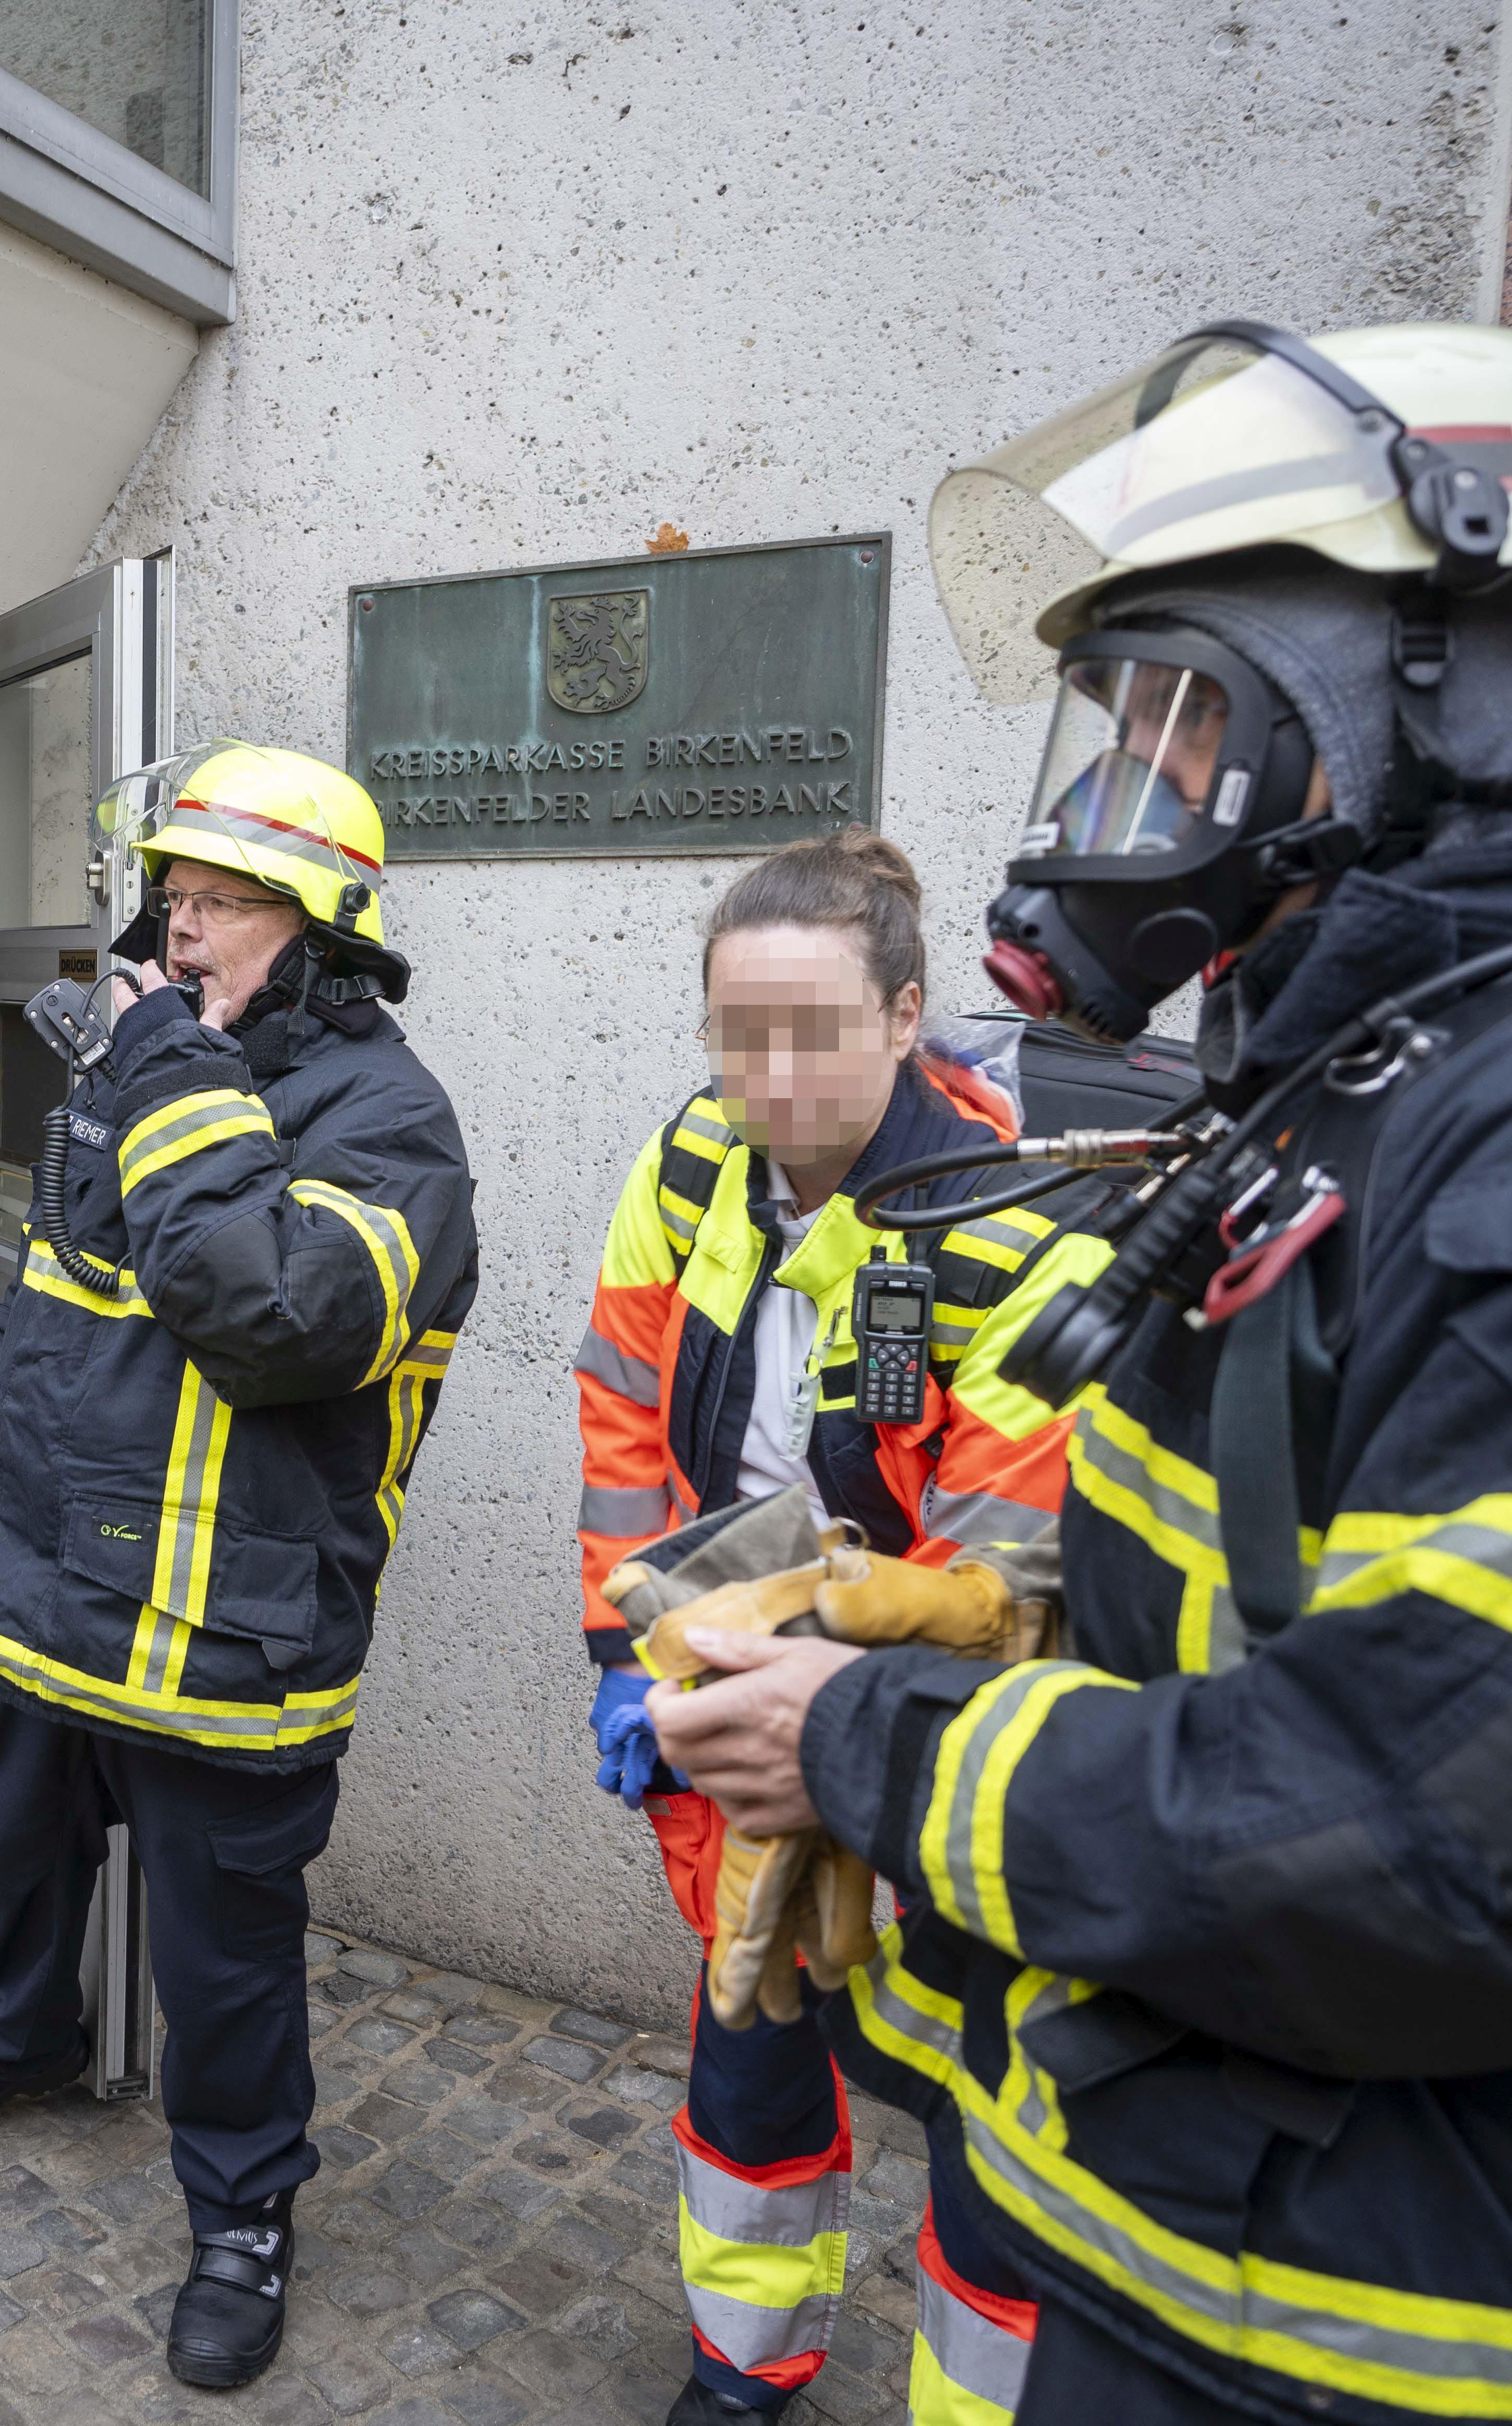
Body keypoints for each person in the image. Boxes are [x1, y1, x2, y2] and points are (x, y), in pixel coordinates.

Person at [650, 320, 1512, 2424]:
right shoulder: (1396, 1069)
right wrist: (971, 1621)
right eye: (1107, 728)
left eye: (1179, 716)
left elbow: (1454, 1845)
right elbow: (1290, 1591)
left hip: (1408, 2336)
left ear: (1455, 684)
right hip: (1199, 2244)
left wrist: (883, 1737)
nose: (1117, 807)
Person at [0, 743, 479, 2390]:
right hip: (63, 1593)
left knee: (225, 1967)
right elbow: (49, 1294)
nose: (178, 928)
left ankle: (242, 2216)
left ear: (328, 928)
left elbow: (275, 1319)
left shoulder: (394, 1127)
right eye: (177, 896)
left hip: (233, 1633)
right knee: (10, 1849)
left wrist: (169, 1076)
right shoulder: (150, 1077)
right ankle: (13, 2040)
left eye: (223, 903)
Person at [573, 830, 1095, 2425]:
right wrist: (629, 1664)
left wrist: (832, 1744)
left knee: (985, 2140)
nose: (768, 1075)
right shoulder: (687, 1162)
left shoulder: (1023, 1234)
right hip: (726, 1711)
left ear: (907, 1014)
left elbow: (1003, 1584)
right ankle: (744, 2370)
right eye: (737, 1035)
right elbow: (619, 1422)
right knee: (749, 2072)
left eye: (810, 1031)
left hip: (933, 1756)